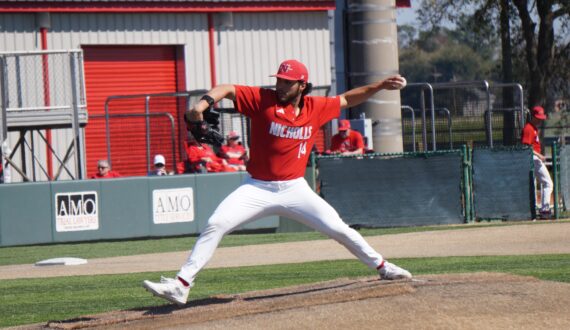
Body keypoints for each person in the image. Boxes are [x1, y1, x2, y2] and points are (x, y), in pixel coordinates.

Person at [143, 59, 411, 306]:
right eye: (279, 79)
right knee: (216, 223)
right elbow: (226, 88)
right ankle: (182, 285)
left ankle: (383, 267)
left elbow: (347, 99)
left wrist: (379, 86)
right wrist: (200, 106)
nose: (279, 85)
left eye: (286, 81)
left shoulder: (315, 107)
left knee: (338, 229)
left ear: (302, 85)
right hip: (257, 187)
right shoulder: (263, 100)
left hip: (295, 188)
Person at [521, 105, 553, 218]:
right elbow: (526, 146)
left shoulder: (534, 128)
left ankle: (536, 210)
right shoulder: (528, 128)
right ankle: (544, 210)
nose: (540, 120)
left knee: (534, 184)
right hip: (532, 158)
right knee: (548, 183)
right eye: (538, 117)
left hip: (534, 158)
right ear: (533, 116)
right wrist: (539, 155)